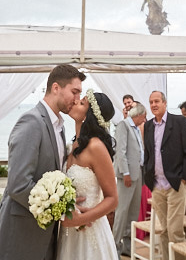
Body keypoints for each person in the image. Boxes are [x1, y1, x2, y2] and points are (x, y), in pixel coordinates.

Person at [0, 64, 85, 260]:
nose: (78, 99)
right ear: (56, 88)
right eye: (74, 92)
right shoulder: (31, 122)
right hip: (18, 239)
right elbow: (19, 184)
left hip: (43, 239)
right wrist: (64, 209)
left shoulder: (60, 127)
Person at [57, 90, 120, 260]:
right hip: (67, 233)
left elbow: (113, 199)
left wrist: (81, 219)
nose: (76, 101)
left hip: (89, 231)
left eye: (82, 102)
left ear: (89, 116)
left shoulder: (95, 146)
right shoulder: (73, 145)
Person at [143, 91, 186, 260]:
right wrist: (148, 175)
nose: (154, 105)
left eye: (157, 101)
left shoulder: (179, 122)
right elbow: (148, 153)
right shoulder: (149, 125)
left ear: (165, 103)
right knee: (164, 230)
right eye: (151, 102)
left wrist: (184, 179)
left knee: (175, 231)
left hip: (176, 184)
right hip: (157, 186)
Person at [113, 101, 146, 257]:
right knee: (122, 211)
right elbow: (121, 151)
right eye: (144, 117)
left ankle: (127, 245)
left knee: (133, 212)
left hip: (138, 173)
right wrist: (125, 173)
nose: (145, 120)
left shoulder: (136, 129)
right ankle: (114, 246)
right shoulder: (124, 126)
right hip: (127, 175)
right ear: (138, 115)